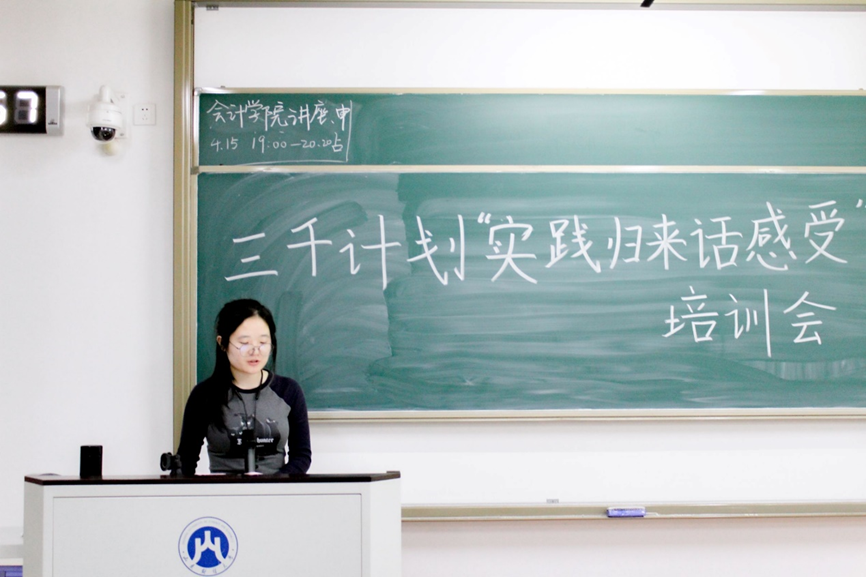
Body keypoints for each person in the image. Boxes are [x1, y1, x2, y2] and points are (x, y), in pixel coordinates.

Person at [177, 299, 311, 475]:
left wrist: (273, 484)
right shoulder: (204, 395)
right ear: (222, 343)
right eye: (244, 343)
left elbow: (301, 457)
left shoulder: (288, 390)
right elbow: (185, 461)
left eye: (262, 342)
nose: (255, 351)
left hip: (277, 489)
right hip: (222, 490)